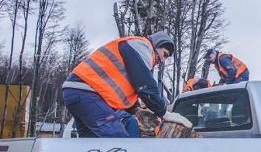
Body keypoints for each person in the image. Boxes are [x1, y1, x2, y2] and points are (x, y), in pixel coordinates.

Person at [62, 31, 192, 138]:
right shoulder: (143, 47)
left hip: (76, 91)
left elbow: (130, 87)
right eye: (164, 54)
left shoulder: (133, 48)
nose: (163, 61)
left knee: (93, 149)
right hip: (86, 93)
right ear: (157, 45)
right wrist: (164, 113)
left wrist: (136, 109)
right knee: (120, 143)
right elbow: (145, 85)